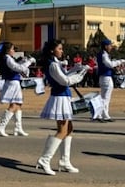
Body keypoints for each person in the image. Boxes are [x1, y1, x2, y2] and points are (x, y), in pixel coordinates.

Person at [36, 39, 89, 175]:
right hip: (59, 98)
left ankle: (64, 161)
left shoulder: (55, 63)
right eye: (59, 48)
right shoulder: (53, 64)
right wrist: (80, 75)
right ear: (52, 50)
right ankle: (45, 159)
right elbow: (65, 81)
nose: (62, 50)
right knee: (62, 130)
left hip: (63, 97)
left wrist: (76, 69)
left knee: (69, 129)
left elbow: (64, 76)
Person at [0, 42, 35, 137]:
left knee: (19, 105)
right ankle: (1, 126)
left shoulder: (8, 58)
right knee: (14, 105)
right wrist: (29, 62)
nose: (14, 51)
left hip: (15, 82)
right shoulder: (7, 58)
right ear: (8, 50)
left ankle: (18, 127)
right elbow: (18, 68)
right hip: (12, 83)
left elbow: (16, 66)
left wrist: (24, 61)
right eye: (12, 49)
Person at [95, 39, 125, 122]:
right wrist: (120, 61)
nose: (111, 47)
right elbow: (109, 64)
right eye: (110, 45)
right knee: (106, 97)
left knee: (104, 97)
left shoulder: (101, 54)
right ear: (105, 46)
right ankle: (102, 115)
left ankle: (103, 114)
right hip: (106, 77)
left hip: (104, 77)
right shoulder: (104, 55)